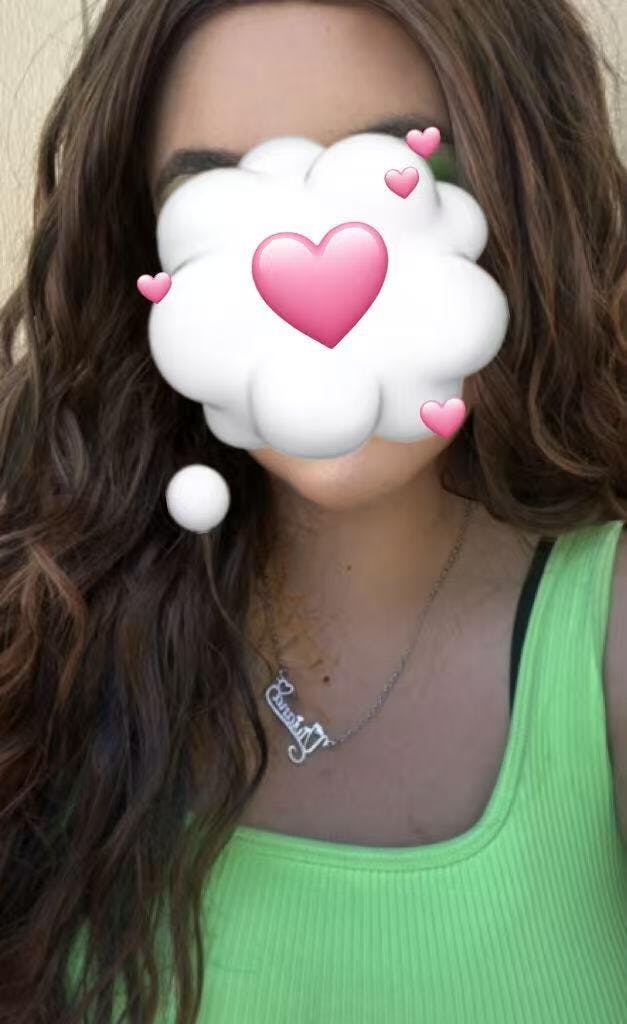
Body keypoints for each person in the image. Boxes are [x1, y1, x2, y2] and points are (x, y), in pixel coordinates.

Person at [0, 1, 625, 1021]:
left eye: (401, 176)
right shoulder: (37, 617)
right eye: (216, 201)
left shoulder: (605, 640)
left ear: (527, 196)